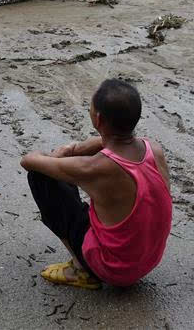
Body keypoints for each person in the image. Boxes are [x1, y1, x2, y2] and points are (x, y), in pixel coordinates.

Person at [20, 79, 172, 288]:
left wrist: (60, 155)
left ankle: (80, 268)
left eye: (89, 108)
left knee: (40, 176)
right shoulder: (153, 149)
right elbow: (109, 141)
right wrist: (73, 149)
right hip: (148, 260)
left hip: (113, 269)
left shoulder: (96, 168)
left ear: (98, 119)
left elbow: (29, 161)